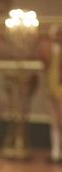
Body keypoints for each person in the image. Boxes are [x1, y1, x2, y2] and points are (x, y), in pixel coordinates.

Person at [41, 24, 62, 163]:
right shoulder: (48, 49)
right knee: (54, 122)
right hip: (52, 88)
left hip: (60, 88)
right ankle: (56, 152)